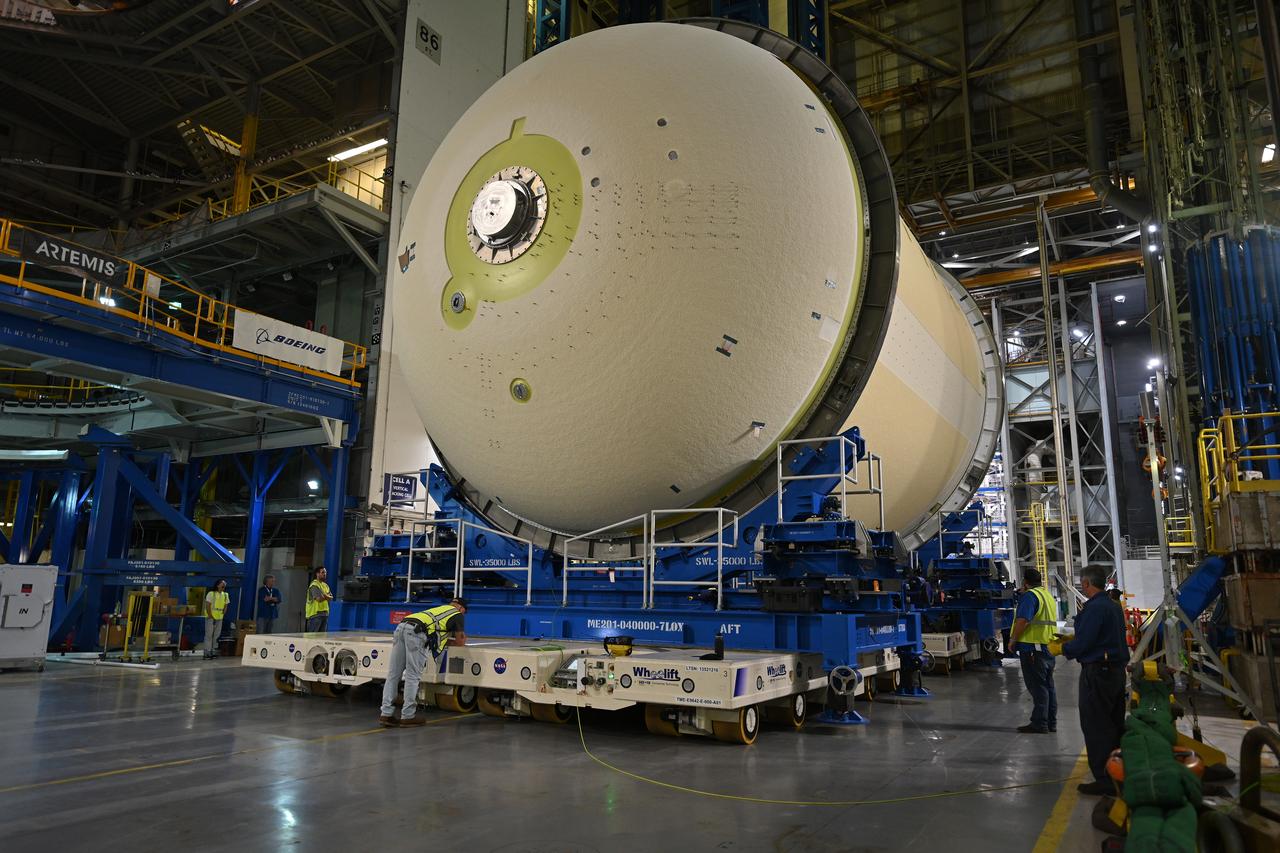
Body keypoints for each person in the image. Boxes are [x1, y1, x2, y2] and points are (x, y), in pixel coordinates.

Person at [1052, 564, 1130, 795]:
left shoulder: (1094, 608)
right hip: (1114, 671)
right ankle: (1117, 771)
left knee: (1096, 725)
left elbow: (1085, 643)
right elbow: (1099, 636)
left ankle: (1105, 780)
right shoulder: (1112, 606)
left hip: (1098, 673)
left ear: (1086, 583)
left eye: (1082, 584)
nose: (1082, 588)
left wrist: (1063, 648)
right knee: (1113, 723)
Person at [379, 598, 468, 727]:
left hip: (402, 627)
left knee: (393, 675)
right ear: (461, 608)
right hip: (417, 634)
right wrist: (462, 639)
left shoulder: (440, 609)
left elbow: (435, 633)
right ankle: (408, 716)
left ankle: (386, 714)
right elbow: (460, 642)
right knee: (412, 676)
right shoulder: (457, 614)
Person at [1007, 568, 1059, 733]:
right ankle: (1051, 722)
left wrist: (1013, 639)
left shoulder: (1030, 596)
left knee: (1038, 687)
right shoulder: (1047, 595)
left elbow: (1023, 620)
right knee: (1048, 686)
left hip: (1032, 648)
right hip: (1048, 646)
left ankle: (1039, 723)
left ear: (1025, 582)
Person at [203, 579, 230, 659]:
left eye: (224, 585)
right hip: (210, 617)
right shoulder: (211, 594)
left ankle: (214, 650)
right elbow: (208, 605)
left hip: (219, 618)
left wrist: (223, 613)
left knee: (217, 635)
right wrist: (210, 615)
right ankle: (207, 652)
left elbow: (226, 605)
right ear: (217, 585)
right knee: (209, 635)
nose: (224, 586)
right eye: (222, 584)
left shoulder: (225, 595)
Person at [305, 567, 333, 632]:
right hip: (315, 615)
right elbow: (319, 599)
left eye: (325, 572)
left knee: (321, 639)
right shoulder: (314, 585)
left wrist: (324, 595)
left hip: (324, 614)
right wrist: (327, 596)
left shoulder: (325, 585)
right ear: (317, 574)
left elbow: (331, 598)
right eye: (322, 572)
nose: (325, 574)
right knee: (312, 638)